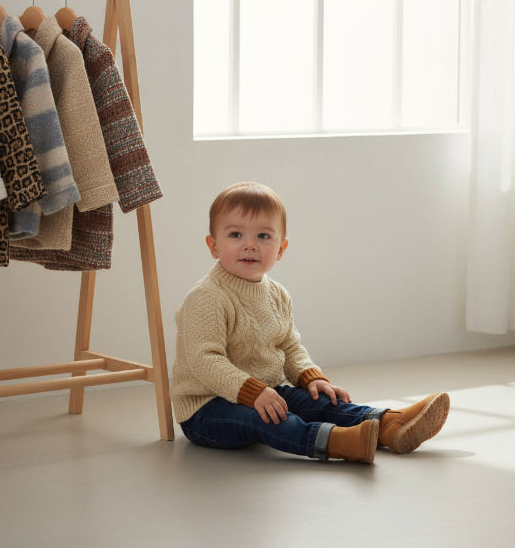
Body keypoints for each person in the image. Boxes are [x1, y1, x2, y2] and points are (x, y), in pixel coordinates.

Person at [171, 182, 450, 464]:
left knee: (319, 402)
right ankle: (339, 442)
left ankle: (388, 424)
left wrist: (310, 376)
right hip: (207, 408)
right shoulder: (207, 297)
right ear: (213, 245)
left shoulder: (277, 294)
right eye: (235, 234)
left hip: (265, 391)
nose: (250, 244)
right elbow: (205, 360)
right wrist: (253, 393)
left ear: (281, 249)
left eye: (263, 236)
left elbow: (290, 346)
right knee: (267, 419)